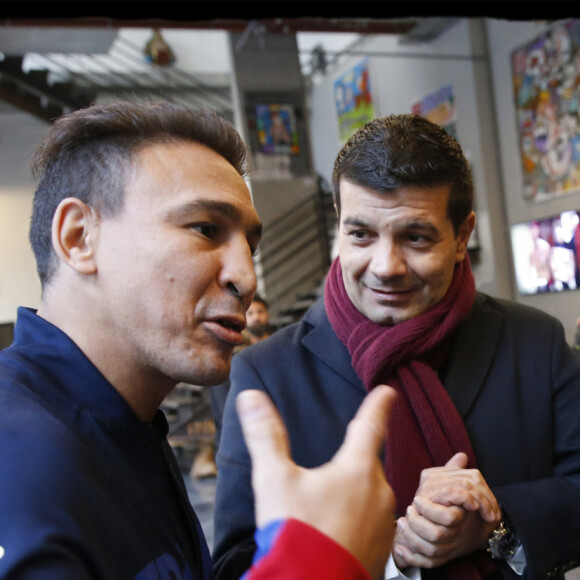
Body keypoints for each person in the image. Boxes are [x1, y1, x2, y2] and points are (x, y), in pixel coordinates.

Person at [0, 100, 398, 580]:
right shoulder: (18, 455)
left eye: (249, 247)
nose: (246, 278)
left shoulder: (124, 430)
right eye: (206, 229)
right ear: (79, 237)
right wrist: (316, 565)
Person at [213, 114, 580, 580]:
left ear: (462, 237)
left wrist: (496, 524)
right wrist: (387, 552)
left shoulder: (533, 342)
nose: (386, 266)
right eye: (361, 234)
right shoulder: (267, 373)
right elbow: (232, 565)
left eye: (416, 237)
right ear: (338, 228)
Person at [208, 294, 272, 461]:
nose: (256, 318)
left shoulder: (280, 349)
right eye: (250, 314)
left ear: (268, 315)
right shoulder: (236, 358)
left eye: (260, 312)